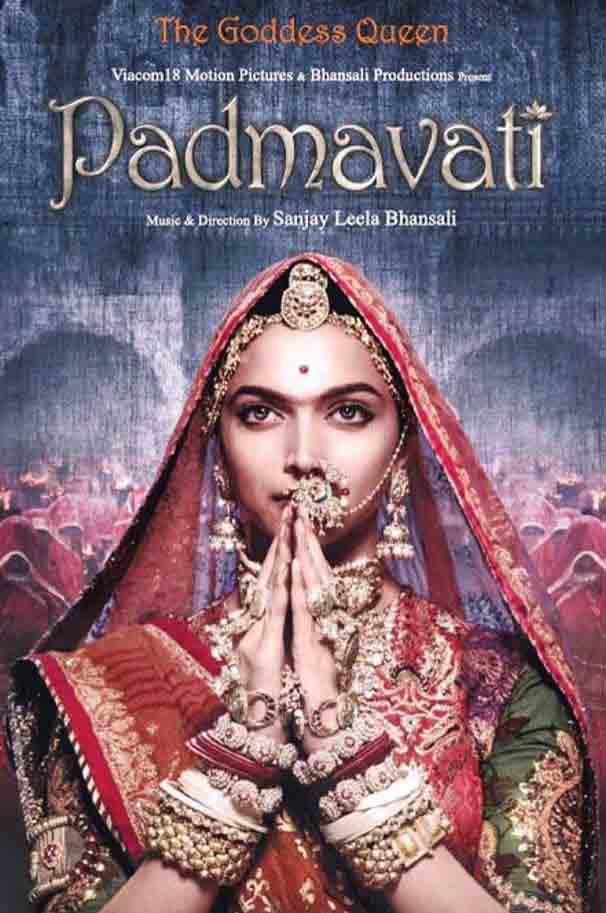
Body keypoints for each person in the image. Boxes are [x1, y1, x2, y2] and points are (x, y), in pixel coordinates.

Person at [6, 254, 598, 913]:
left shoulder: (496, 686)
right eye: (261, 413)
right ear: (218, 451)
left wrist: (342, 757)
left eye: (349, 412)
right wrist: (238, 764)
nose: (304, 456)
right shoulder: (110, 685)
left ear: (402, 447)